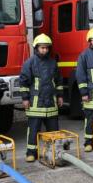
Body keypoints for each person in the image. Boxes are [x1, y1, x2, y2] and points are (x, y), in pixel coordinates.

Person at [19, 34, 63, 162]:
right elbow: (23, 82)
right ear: (36, 48)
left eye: (47, 48)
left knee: (53, 131)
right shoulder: (29, 63)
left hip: (51, 104)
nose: (45, 50)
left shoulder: (53, 63)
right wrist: (25, 99)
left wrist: (60, 96)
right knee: (33, 130)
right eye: (42, 47)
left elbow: (58, 81)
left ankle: (53, 151)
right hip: (35, 104)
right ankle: (31, 153)